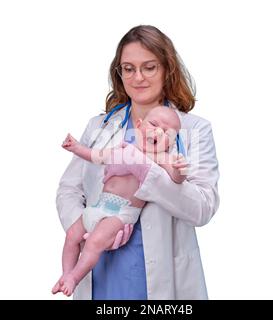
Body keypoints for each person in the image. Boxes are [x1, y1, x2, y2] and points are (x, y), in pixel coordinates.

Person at [56, 25, 219, 299]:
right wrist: (87, 226)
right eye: (128, 68)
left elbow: (203, 207)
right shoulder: (100, 126)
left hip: (165, 273)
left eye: (149, 67)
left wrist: (148, 173)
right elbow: (69, 190)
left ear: (167, 69)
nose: (138, 77)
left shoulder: (194, 129)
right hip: (101, 266)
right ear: (119, 74)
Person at [52, 106, 188, 296]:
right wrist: (76, 147)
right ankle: (66, 274)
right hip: (99, 205)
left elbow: (175, 177)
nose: (158, 131)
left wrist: (181, 170)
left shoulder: (159, 157)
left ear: (171, 143)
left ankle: (74, 277)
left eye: (166, 132)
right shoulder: (122, 148)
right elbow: (94, 156)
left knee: (94, 243)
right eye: (154, 124)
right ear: (139, 126)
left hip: (121, 213)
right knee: (72, 236)